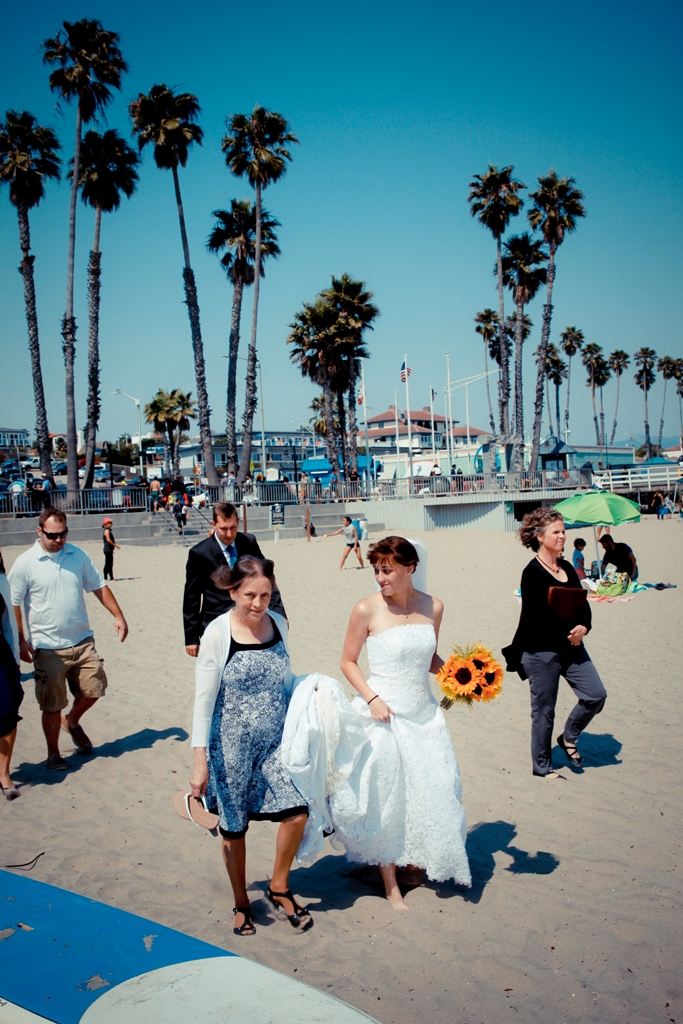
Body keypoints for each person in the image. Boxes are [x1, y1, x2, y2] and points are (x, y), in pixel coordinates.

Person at [284, 536, 471, 908]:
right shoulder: (366, 610)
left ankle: (413, 863)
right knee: (383, 798)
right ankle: (390, 886)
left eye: (387, 571)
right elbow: (348, 661)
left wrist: (461, 673)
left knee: (431, 787)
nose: (380, 578)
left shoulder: (433, 607)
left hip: (424, 715)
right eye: (377, 571)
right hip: (382, 714)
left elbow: (428, 657)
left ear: (410, 568)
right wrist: (372, 699)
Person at [189, 556, 311, 936]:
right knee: (234, 828)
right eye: (249, 595)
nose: (258, 604)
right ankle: (242, 901)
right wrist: (200, 762)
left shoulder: (276, 623)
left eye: (265, 595)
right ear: (232, 591)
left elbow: (285, 679)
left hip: (276, 742)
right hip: (231, 747)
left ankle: (278, 886)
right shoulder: (217, 633)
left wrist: (314, 696)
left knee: (296, 811)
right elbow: (203, 700)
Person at [9, 508, 129, 771]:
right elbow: (14, 603)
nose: (59, 540)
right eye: (52, 535)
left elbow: (99, 586)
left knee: (95, 689)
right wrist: (21, 640)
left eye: (63, 534)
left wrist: (118, 615)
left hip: (83, 640)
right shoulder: (26, 562)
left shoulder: (77, 554)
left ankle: (72, 721)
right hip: (47, 646)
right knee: (51, 704)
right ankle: (54, 754)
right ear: (39, 531)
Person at [502, 508, 607, 779]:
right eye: (556, 532)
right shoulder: (532, 573)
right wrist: (569, 632)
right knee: (544, 712)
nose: (562, 536)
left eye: (563, 531)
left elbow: (581, 603)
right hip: (540, 652)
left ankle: (569, 737)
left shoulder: (568, 568)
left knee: (595, 695)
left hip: (572, 647)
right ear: (540, 537)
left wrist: (585, 626)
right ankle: (543, 767)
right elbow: (537, 618)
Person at [183, 502, 286, 657]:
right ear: (214, 524)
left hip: (249, 620)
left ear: (238, 522)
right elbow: (191, 598)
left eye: (233, 528)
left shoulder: (248, 542)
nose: (229, 534)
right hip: (215, 622)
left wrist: (279, 613)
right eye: (224, 528)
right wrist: (191, 638)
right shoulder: (199, 553)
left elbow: (267, 579)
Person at [0, 548, 23, 799]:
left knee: (7, 710)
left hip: (1, 654)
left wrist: (15, 659)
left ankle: (4, 773)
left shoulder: (0, 580)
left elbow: (7, 623)